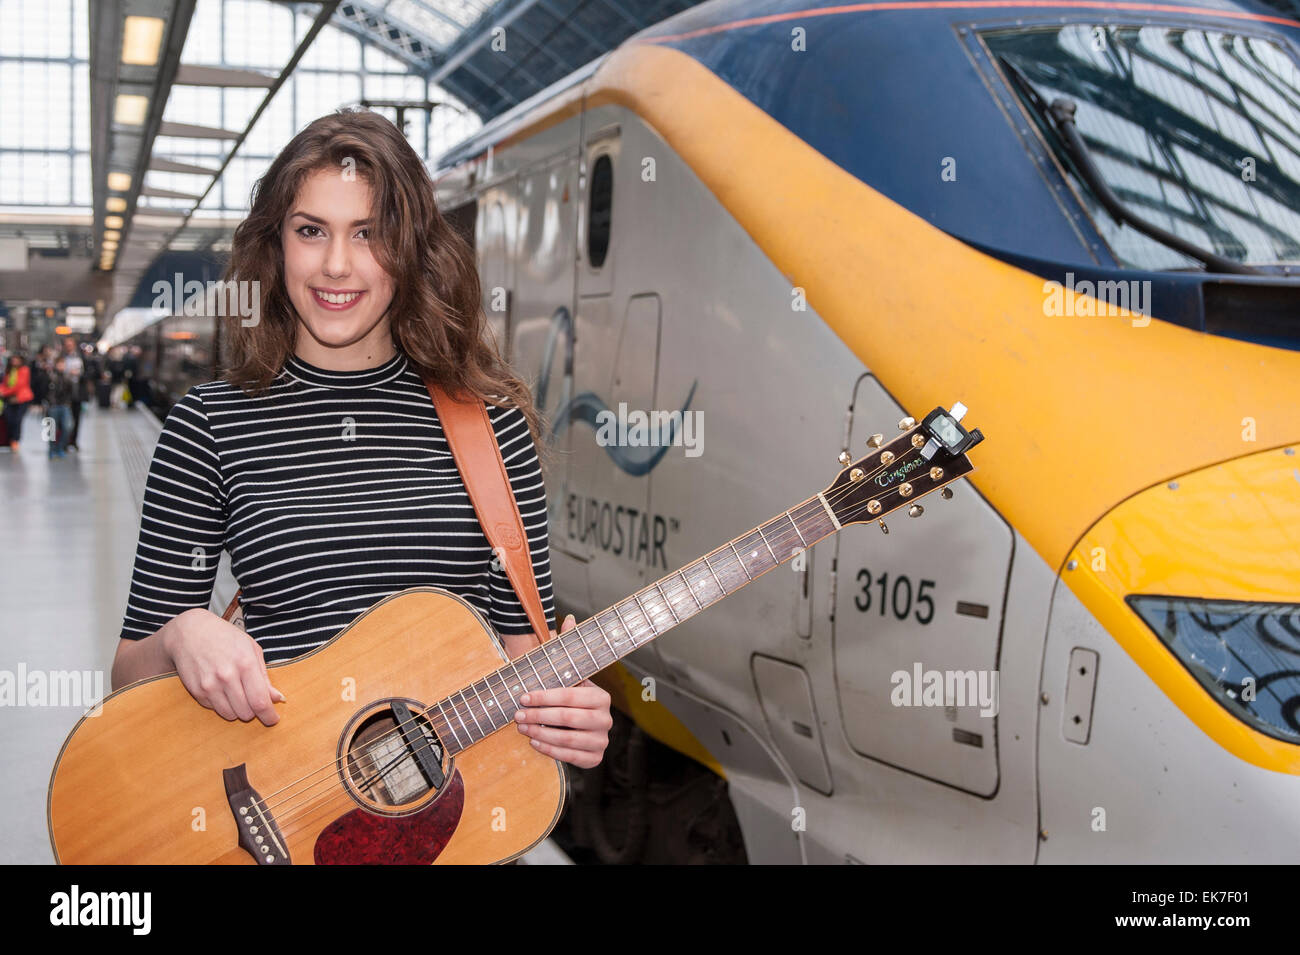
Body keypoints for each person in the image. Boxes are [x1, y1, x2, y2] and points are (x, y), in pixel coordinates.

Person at [111, 108, 611, 773]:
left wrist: (567, 719)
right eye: (311, 231)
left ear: (409, 248)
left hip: (455, 827)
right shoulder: (210, 427)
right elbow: (126, 683)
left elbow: (526, 660)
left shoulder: (492, 427)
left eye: (369, 234)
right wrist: (179, 635)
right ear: (277, 244)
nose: (337, 265)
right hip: (284, 815)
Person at [0, 354, 34, 451]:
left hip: (21, 398)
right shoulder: (9, 370)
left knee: (17, 420)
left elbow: (20, 384)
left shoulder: (24, 370)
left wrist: (4, 392)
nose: (14, 361)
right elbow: (4, 383)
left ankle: (15, 440)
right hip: (9, 399)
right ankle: (10, 439)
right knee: (9, 418)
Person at [44, 355, 75, 458]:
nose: (61, 366)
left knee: (67, 427)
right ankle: (52, 449)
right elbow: (45, 390)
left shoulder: (68, 377)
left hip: (65, 405)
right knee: (52, 429)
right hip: (53, 405)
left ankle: (60, 447)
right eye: (59, 364)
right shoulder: (50, 376)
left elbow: (72, 391)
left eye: (63, 364)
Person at [60, 338, 84, 450]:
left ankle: (74, 441)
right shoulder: (60, 357)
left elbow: (86, 373)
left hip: (77, 392)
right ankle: (64, 441)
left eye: (71, 344)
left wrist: (79, 373)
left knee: (76, 418)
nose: (69, 347)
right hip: (63, 393)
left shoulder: (80, 357)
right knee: (64, 419)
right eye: (67, 345)